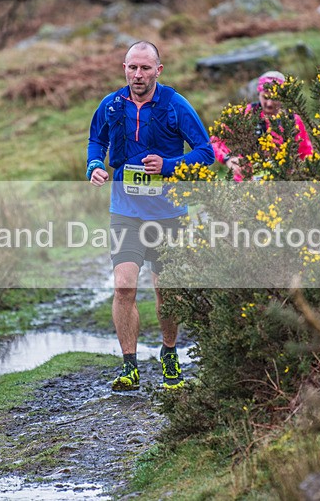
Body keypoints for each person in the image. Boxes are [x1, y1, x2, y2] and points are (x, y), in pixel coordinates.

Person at [86, 40, 214, 391]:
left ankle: (169, 355)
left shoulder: (175, 105)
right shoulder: (111, 105)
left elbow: (206, 153)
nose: (137, 74)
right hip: (125, 212)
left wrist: (169, 166)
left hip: (169, 214)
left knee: (167, 293)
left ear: (159, 69)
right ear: (124, 68)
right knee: (124, 286)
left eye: (145, 68)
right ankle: (129, 366)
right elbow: (96, 142)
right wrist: (94, 165)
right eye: (132, 67)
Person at [212, 70, 313, 181]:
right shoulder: (244, 114)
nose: (269, 104)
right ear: (258, 94)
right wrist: (228, 158)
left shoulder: (293, 120)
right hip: (246, 183)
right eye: (265, 97)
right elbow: (215, 140)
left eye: (275, 98)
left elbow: (306, 153)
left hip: (281, 186)